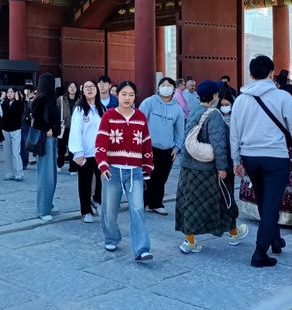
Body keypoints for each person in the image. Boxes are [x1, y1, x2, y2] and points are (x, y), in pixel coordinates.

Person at [230, 55, 292, 268]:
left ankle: (275, 240)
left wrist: (235, 159)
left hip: (250, 156)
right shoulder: (283, 98)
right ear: (271, 74)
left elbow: (234, 133)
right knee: (271, 204)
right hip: (275, 157)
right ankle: (259, 253)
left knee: (265, 200)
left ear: (250, 75)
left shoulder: (240, 99)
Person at [175, 80, 249, 254]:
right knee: (223, 201)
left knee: (191, 203)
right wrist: (223, 167)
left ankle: (190, 241)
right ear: (215, 96)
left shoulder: (195, 111)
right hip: (208, 170)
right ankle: (233, 233)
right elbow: (219, 145)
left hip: (189, 168)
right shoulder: (214, 114)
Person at [95, 80, 154, 261]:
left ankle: (142, 249)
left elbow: (146, 143)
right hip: (112, 171)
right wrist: (103, 164)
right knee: (110, 209)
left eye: (131, 94)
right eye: (123, 94)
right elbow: (101, 143)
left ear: (135, 97)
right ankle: (111, 237)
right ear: (117, 95)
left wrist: (147, 165)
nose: (127, 98)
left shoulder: (140, 117)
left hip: (134, 171)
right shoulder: (109, 116)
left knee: (137, 209)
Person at [139, 77, 185, 216]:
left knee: (161, 178)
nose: (166, 87)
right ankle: (143, 203)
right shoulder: (149, 103)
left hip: (168, 150)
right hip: (149, 147)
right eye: (163, 85)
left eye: (169, 85)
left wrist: (177, 147)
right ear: (158, 88)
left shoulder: (177, 109)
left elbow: (179, 130)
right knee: (147, 177)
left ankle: (156, 203)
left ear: (173, 89)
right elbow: (139, 122)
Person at [68, 79, 104, 222]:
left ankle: (97, 200)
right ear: (83, 91)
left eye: (92, 87)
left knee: (102, 180)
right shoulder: (79, 109)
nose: (90, 89)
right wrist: (77, 152)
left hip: (100, 152)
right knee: (85, 182)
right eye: (87, 87)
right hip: (84, 152)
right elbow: (76, 131)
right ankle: (86, 210)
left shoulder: (102, 109)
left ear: (96, 90)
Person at [31, 73, 62, 221]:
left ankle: (48, 204)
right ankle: (43, 209)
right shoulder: (42, 98)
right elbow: (35, 118)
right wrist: (47, 128)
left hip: (52, 139)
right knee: (46, 175)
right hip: (46, 139)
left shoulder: (48, 98)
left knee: (51, 175)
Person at [1, 87, 25, 181]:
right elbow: (3, 113)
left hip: (16, 129)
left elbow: (18, 111)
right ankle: (9, 173)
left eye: (11, 92)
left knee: (16, 152)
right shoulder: (5, 103)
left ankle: (19, 173)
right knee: (7, 153)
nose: (9, 94)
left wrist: (17, 98)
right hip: (5, 129)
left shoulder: (19, 103)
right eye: (8, 92)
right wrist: (2, 99)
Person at [57, 82, 79, 172]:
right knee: (61, 148)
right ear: (67, 88)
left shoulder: (80, 100)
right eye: (70, 86)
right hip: (63, 127)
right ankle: (59, 164)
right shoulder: (61, 99)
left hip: (75, 128)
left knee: (73, 149)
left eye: (74, 86)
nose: (72, 88)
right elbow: (57, 111)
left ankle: (73, 168)